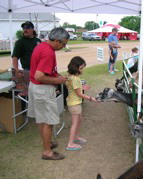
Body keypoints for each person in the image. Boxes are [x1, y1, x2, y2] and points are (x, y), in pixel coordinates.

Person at [28, 27, 70, 160]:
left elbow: (44, 71)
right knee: (48, 121)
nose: (64, 46)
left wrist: (57, 75)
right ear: (57, 40)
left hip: (35, 87)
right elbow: (39, 76)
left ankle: (48, 144)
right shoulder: (49, 53)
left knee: (41, 119)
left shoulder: (41, 46)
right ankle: (47, 152)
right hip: (43, 89)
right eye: (63, 43)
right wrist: (58, 80)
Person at [65, 56, 97, 150]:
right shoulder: (75, 79)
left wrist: (82, 87)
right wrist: (91, 98)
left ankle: (76, 137)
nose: (82, 70)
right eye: (81, 68)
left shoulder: (69, 76)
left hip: (74, 102)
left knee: (79, 120)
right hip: (74, 104)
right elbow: (79, 94)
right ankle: (70, 144)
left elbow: (73, 88)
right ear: (75, 67)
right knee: (75, 123)